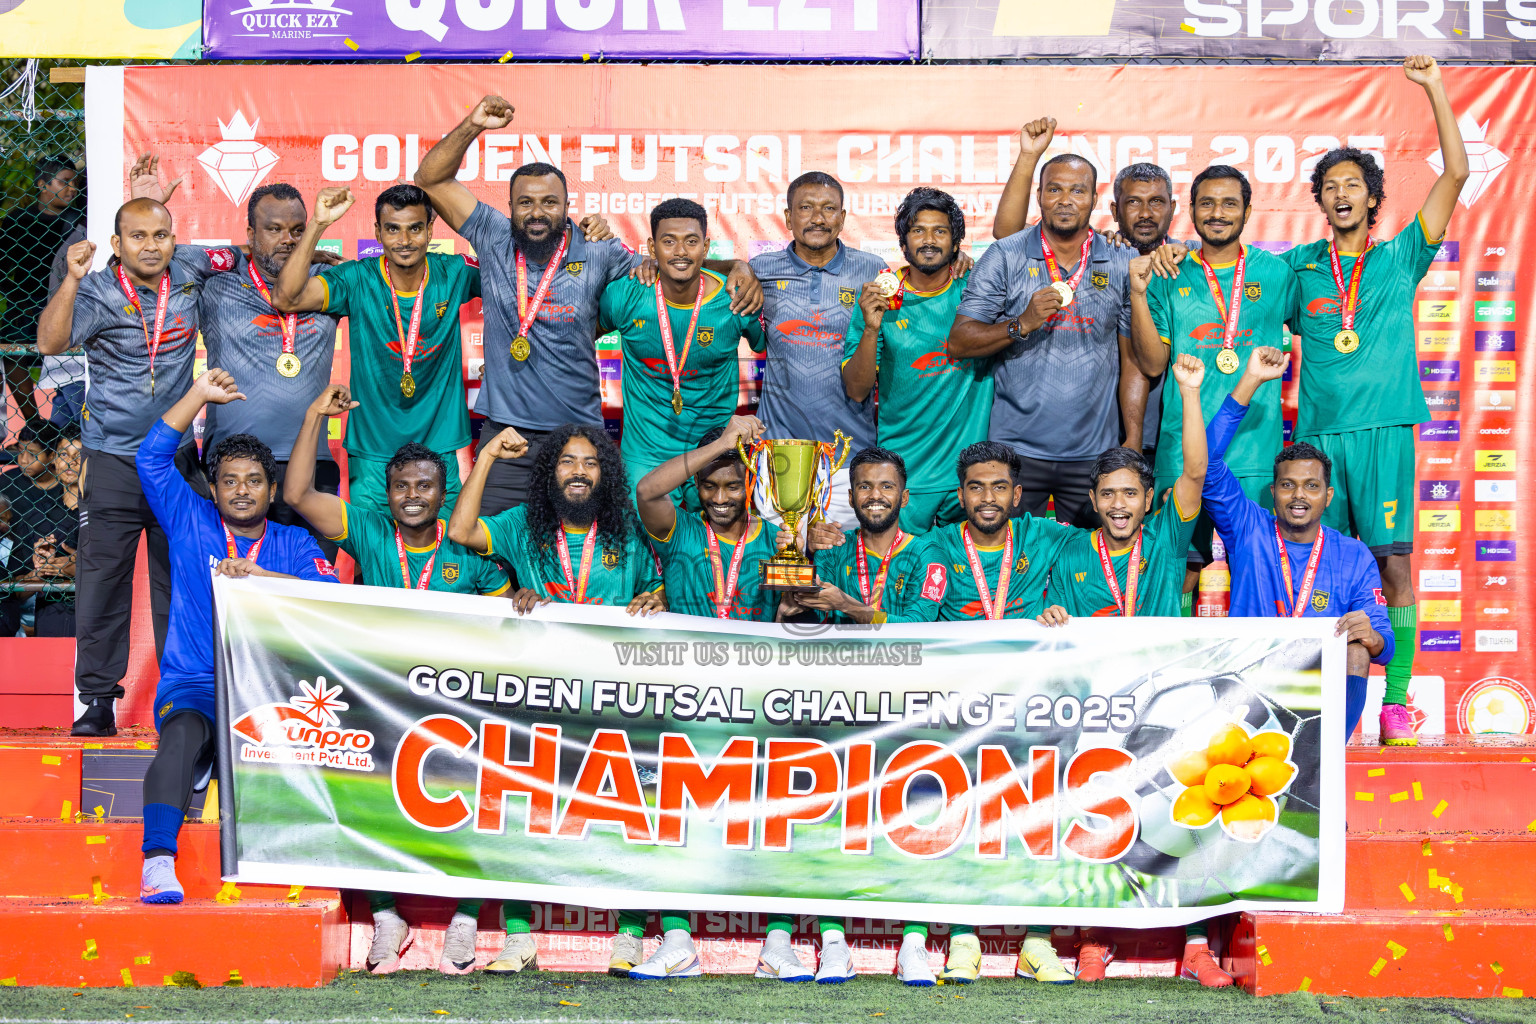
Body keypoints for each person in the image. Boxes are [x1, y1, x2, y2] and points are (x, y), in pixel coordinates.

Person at [413, 95, 760, 516]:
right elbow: (429, 179)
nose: (537, 212)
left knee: (584, 558)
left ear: (566, 208)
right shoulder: (492, 235)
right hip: (505, 434)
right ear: (509, 208)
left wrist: (736, 264)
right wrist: (473, 124)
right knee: (490, 551)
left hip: (578, 437)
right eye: (525, 202)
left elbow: (677, 264)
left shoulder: (599, 250)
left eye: (549, 202)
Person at [283, 384, 508, 975]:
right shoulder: (371, 531)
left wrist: (525, 602)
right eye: (402, 487)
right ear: (387, 495)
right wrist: (314, 418)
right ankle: (387, 917)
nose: (413, 496)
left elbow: (511, 621)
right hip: (384, 699)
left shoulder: (468, 550)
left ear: (443, 493)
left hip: (458, 704)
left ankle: (465, 916)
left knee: (475, 804)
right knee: (367, 800)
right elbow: (300, 494)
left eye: (425, 486)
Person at [1277, 56, 1467, 745]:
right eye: (1330, 186)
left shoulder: (1399, 258)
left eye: (1353, 185)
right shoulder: (1298, 269)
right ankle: (1318, 700)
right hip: (1321, 439)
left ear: (1372, 196)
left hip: (1385, 430)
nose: (1342, 195)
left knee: (1393, 565)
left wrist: (1436, 90)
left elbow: (1455, 175)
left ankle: (1394, 701)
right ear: (1320, 201)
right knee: (1326, 563)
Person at [633, 418, 854, 983]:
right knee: (679, 817)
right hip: (687, 695)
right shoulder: (679, 529)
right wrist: (724, 446)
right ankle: (678, 939)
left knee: (771, 817)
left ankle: (778, 941)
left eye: (734, 486)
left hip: (761, 697)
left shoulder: (782, 533)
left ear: (753, 486)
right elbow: (646, 491)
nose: (723, 498)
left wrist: (789, 608)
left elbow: (797, 608)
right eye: (712, 488)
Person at [36, 198, 239, 737]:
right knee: (103, 584)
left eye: (161, 235)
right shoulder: (98, 290)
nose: (151, 246)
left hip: (175, 462)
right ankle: (98, 701)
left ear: (175, 237)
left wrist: (316, 259)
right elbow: (49, 342)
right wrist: (72, 280)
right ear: (118, 243)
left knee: (184, 582)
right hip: (114, 460)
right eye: (138, 237)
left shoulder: (192, 268)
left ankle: (187, 698)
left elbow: (250, 256)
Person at [135, 369, 337, 904]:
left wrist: (261, 578)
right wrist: (198, 395)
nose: (241, 490)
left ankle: (309, 858)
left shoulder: (293, 541)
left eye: (253, 481)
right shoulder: (189, 519)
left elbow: (328, 597)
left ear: (272, 491)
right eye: (229, 480)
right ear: (214, 487)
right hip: (197, 681)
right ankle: (158, 862)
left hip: (273, 691)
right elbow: (149, 459)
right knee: (179, 736)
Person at [1127, 165, 1299, 609]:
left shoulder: (1278, 273)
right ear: (1192, 210)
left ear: (1247, 210)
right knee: (1180, 569)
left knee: (1257, 568)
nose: (1217, 213)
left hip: (1255, 452)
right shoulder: (1170, 272)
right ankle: (1176, 675)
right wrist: (1139, 296)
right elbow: (1150, 363)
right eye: (1206, 203)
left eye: (1229, 203)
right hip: (1180, 449)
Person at [1204, 346, 1393, 743]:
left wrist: (1372, 634)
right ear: (1273, 492)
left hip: (1313, 682)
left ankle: (1327, 754)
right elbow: (1206, 462)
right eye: (1288, 485)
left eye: (1311, 486)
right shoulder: (1248, 528)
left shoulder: (1353, 554)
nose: (1298, 495)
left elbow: (1382, 643)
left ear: (1328, 495)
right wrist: (1250, 380)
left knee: (1358, 649)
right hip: (1248, 673)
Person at [948, 153, 1137, 528]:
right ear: (1039, 195)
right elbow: (960, 341)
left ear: (1094, 200)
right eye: (1055, 189)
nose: (1065, 200)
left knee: (1090, 570)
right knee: (1010, 565)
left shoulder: (1121, 259)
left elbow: (1131, 361)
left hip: (1093, 453)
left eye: (1077, 191)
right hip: (1014, 453)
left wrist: (1131, 438)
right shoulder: (1005, 255)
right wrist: (1022, 323)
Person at [272, 184, 477, 516]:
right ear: (377, 232)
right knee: (373, 558)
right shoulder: (357, 278)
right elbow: (286, 298)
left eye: (414, 228)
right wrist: (318, 224)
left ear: (430, 230)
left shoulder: (454, 272)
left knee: (444, 559)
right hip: (372, 453)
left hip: (441, 446)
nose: (405, 240)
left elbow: (515, 272)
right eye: (393, 229)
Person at [201, 182, 342, 558]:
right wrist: (235, 254)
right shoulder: (215, 285)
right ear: (250, 234)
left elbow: (384, 281)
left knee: (311, 591)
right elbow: (163, 257)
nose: (288, 239)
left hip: (313, 467)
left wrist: (327, 259)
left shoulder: (326, 282)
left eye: (298, 230)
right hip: (233, 471)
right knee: (234, 591)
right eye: (274, 229)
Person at [840, 189, 990, 534]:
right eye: (918, 231)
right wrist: (871, 328)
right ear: (903, 242)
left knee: (967, 583)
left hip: (967, 479)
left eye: (940, 231)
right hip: (905, 478)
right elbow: (857, 389)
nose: (929, 240)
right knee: (900, 581)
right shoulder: (879, 299)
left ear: (956, 243)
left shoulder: (978, 290)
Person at [598, 198, 765, 508]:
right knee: (643, 549)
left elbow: (771, 350)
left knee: (713, 552)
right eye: (668, 241)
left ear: (706, 246)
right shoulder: (625, 295)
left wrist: (741, 267)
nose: (680, 252)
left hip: (715, 451)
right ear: (651, 246)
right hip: (645, 456)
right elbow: (579, 341)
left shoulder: (736, 301)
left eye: (691, 241)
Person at [751, 172, 892, 529]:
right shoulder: (760, 270)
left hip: (849, 456)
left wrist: (961, 263)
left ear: (842, 218)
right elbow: (707, 277)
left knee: (843, 570)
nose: (818, 218)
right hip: (778, 454)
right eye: (806, 208)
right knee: (782, 572)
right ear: (787, 217)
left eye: (829, 208)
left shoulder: (873, 271)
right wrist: (733, 265)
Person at [1036, 352, 1208, 623]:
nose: (1118, 504)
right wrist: (1051, 615)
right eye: (1108, 494)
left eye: (1130, 493)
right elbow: (1057, 619)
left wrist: (1189, 392)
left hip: (1157, 664)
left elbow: (1195, 473)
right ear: (1093, 500)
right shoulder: (1070, 551)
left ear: (1148, 499)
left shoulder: (1166, 538)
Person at [791, 447, 936, 627]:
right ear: (851, 498)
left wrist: (846, 605)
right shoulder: (833, 548)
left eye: (887, 486)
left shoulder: (925, 554)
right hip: (840, 653)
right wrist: (796, 559)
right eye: (865, 487)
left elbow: (918, 625)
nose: (875, 495)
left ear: (904, 497)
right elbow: (810, 612)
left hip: (902, 654)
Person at [0, 156, 82, 427]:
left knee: (72, 363)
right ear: (42, 183)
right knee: (11, 354)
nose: (72, 188)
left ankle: (71, 428)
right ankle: (35, 425)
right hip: (26, 302)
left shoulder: (81, 220)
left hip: (70, 301)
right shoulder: (18, 221)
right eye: (65, 182)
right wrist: (16, 293)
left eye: (75, 182)